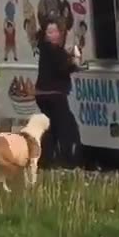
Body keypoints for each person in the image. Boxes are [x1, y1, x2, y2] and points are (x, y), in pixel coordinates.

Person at [34, 18, 84, 167]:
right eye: (50, 32)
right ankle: (69, 161)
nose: (54, 34)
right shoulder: (52, 49)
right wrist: (74, 64)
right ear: (45, 34)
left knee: (52, 128)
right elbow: (63, 67)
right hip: (53, 94)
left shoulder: (46, 48)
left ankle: (45, 161)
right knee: (68, 127)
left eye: (56, 31)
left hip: (43, 94)